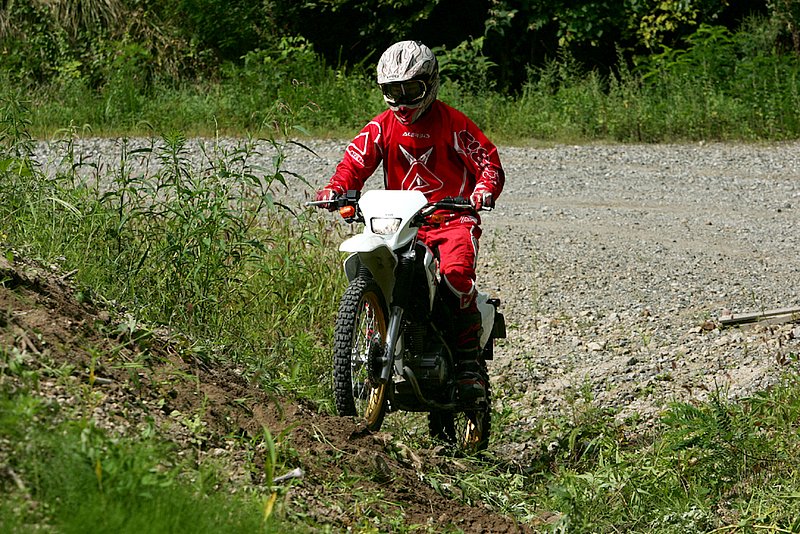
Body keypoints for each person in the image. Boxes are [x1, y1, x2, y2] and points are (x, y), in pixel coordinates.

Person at [315, 40, 505, 402]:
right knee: (382, 268)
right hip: (400, 220)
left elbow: (488, 163)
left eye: (410, 89)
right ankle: (383, 338)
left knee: (456, 275)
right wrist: (336, 188)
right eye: (392, 91)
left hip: (452, 219)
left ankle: (467, 363)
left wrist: (483, 190)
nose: (402, 100)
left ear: (430, 84)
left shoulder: (453, 123)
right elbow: (353, 163)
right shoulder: (382, 126)